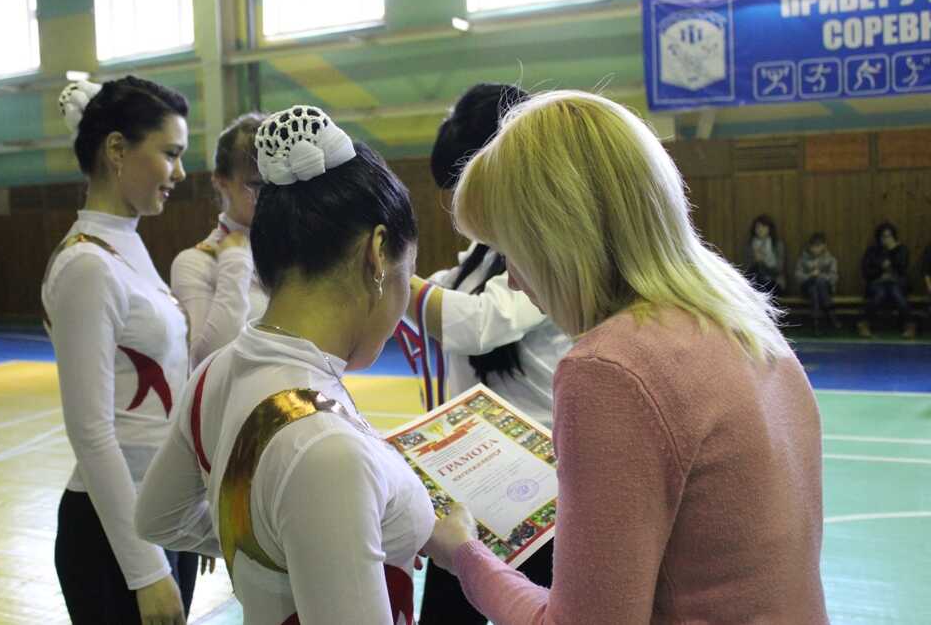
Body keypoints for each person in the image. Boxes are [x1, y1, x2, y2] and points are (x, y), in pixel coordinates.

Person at [424, 91, 829, 624]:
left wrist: (464, 555)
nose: (514, 280)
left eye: (513, 252)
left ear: (557, 241)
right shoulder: (742, 319)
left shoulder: (611, 367)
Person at [135, 105, 435, 624]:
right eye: (408, 272)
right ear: (377, 254)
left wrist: (288, 547)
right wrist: (311, 543)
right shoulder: (327, 449)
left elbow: (159, 516)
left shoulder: (214, 374)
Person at [407, 83, 569, 623]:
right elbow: (445, 292)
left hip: (545, 491)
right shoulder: (484, 252)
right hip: (476, 487)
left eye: (463, 186)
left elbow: (478, 324)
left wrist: (390, 278)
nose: (456, 206)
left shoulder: (553, 246)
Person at [43, 76, 198, 625]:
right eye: (170, 154)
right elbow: (91, 431)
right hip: (112, 533)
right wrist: (145, 570)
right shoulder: (87, 266)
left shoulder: (124, 244)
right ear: (116, 150)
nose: (180, 173)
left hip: (157, 515)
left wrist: (193, 516)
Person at [171, 112, 270, 369]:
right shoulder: (195, 263)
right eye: (257, 184)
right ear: (221, 182)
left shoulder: (297, 252)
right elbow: (204, 363)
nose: (271, 194)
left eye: (279, 181)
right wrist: (235, 263)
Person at [858, 222, 915, 339]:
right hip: (877, 282)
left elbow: (902, 268)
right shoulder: (872, 251)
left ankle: (909, 325)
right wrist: (881, 268)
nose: (886, 239)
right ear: (879, 237)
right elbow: (866, 271)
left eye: (889, 236)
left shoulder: (901, 249)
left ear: (894, 236)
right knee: (880, 294)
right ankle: (864, 324)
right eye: (883, 236)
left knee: (897, 293)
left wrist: (892, 252)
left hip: (896, 282)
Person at [794, 232, 841, 335]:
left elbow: (834, 277)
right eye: (813, 246)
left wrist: (821, 276)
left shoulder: (830, 259)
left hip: (825, 288)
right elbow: (798, 275)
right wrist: (810, 275)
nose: (815, 249)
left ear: (824, 246)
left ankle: (816, 323)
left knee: (816, 286)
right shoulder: (803, 259)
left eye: (818, 246)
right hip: (807, 287)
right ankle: (830, 313)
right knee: (814, 286)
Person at [743, 214, 786, 297]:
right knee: (756, 281)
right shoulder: (749, 246)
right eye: (758, 227)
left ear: (769, 229)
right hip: (755, 279)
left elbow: (779, 269)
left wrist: (763, 262)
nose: (760, 230)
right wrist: (755, 261)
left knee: (764, 282)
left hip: (774, 280)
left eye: (764, 227)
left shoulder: (776, 245)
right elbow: (746, 268)